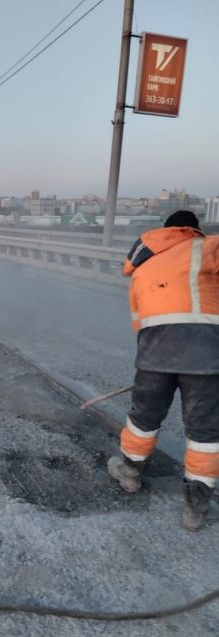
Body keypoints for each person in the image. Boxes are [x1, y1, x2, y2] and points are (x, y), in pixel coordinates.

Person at [107, 210, 219, 531]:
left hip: (154, 355)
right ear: (192, 230)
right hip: (206, 358)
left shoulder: (142, 268)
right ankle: (195, 509)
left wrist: (155, 361)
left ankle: (129, 474)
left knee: (143, 419)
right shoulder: (206, 247)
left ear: (165, 232)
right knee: (204, 433)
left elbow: (138, 323)